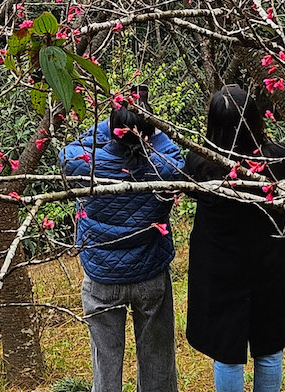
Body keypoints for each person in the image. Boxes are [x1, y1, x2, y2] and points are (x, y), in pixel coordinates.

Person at [185, 85, 285, 392]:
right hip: (269, 261)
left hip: (220, 265)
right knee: (269, 348)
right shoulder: (278, 158)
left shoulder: (199, 164)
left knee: (226, 352)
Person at [59, 96, 184, 392]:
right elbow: (175, 155)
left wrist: (112, 121)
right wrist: (151, 128)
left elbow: (67, 152)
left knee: (105, 364)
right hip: (149, 272)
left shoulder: (84, 166)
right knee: (158, 360)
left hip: (102, 276)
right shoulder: (164, 168)